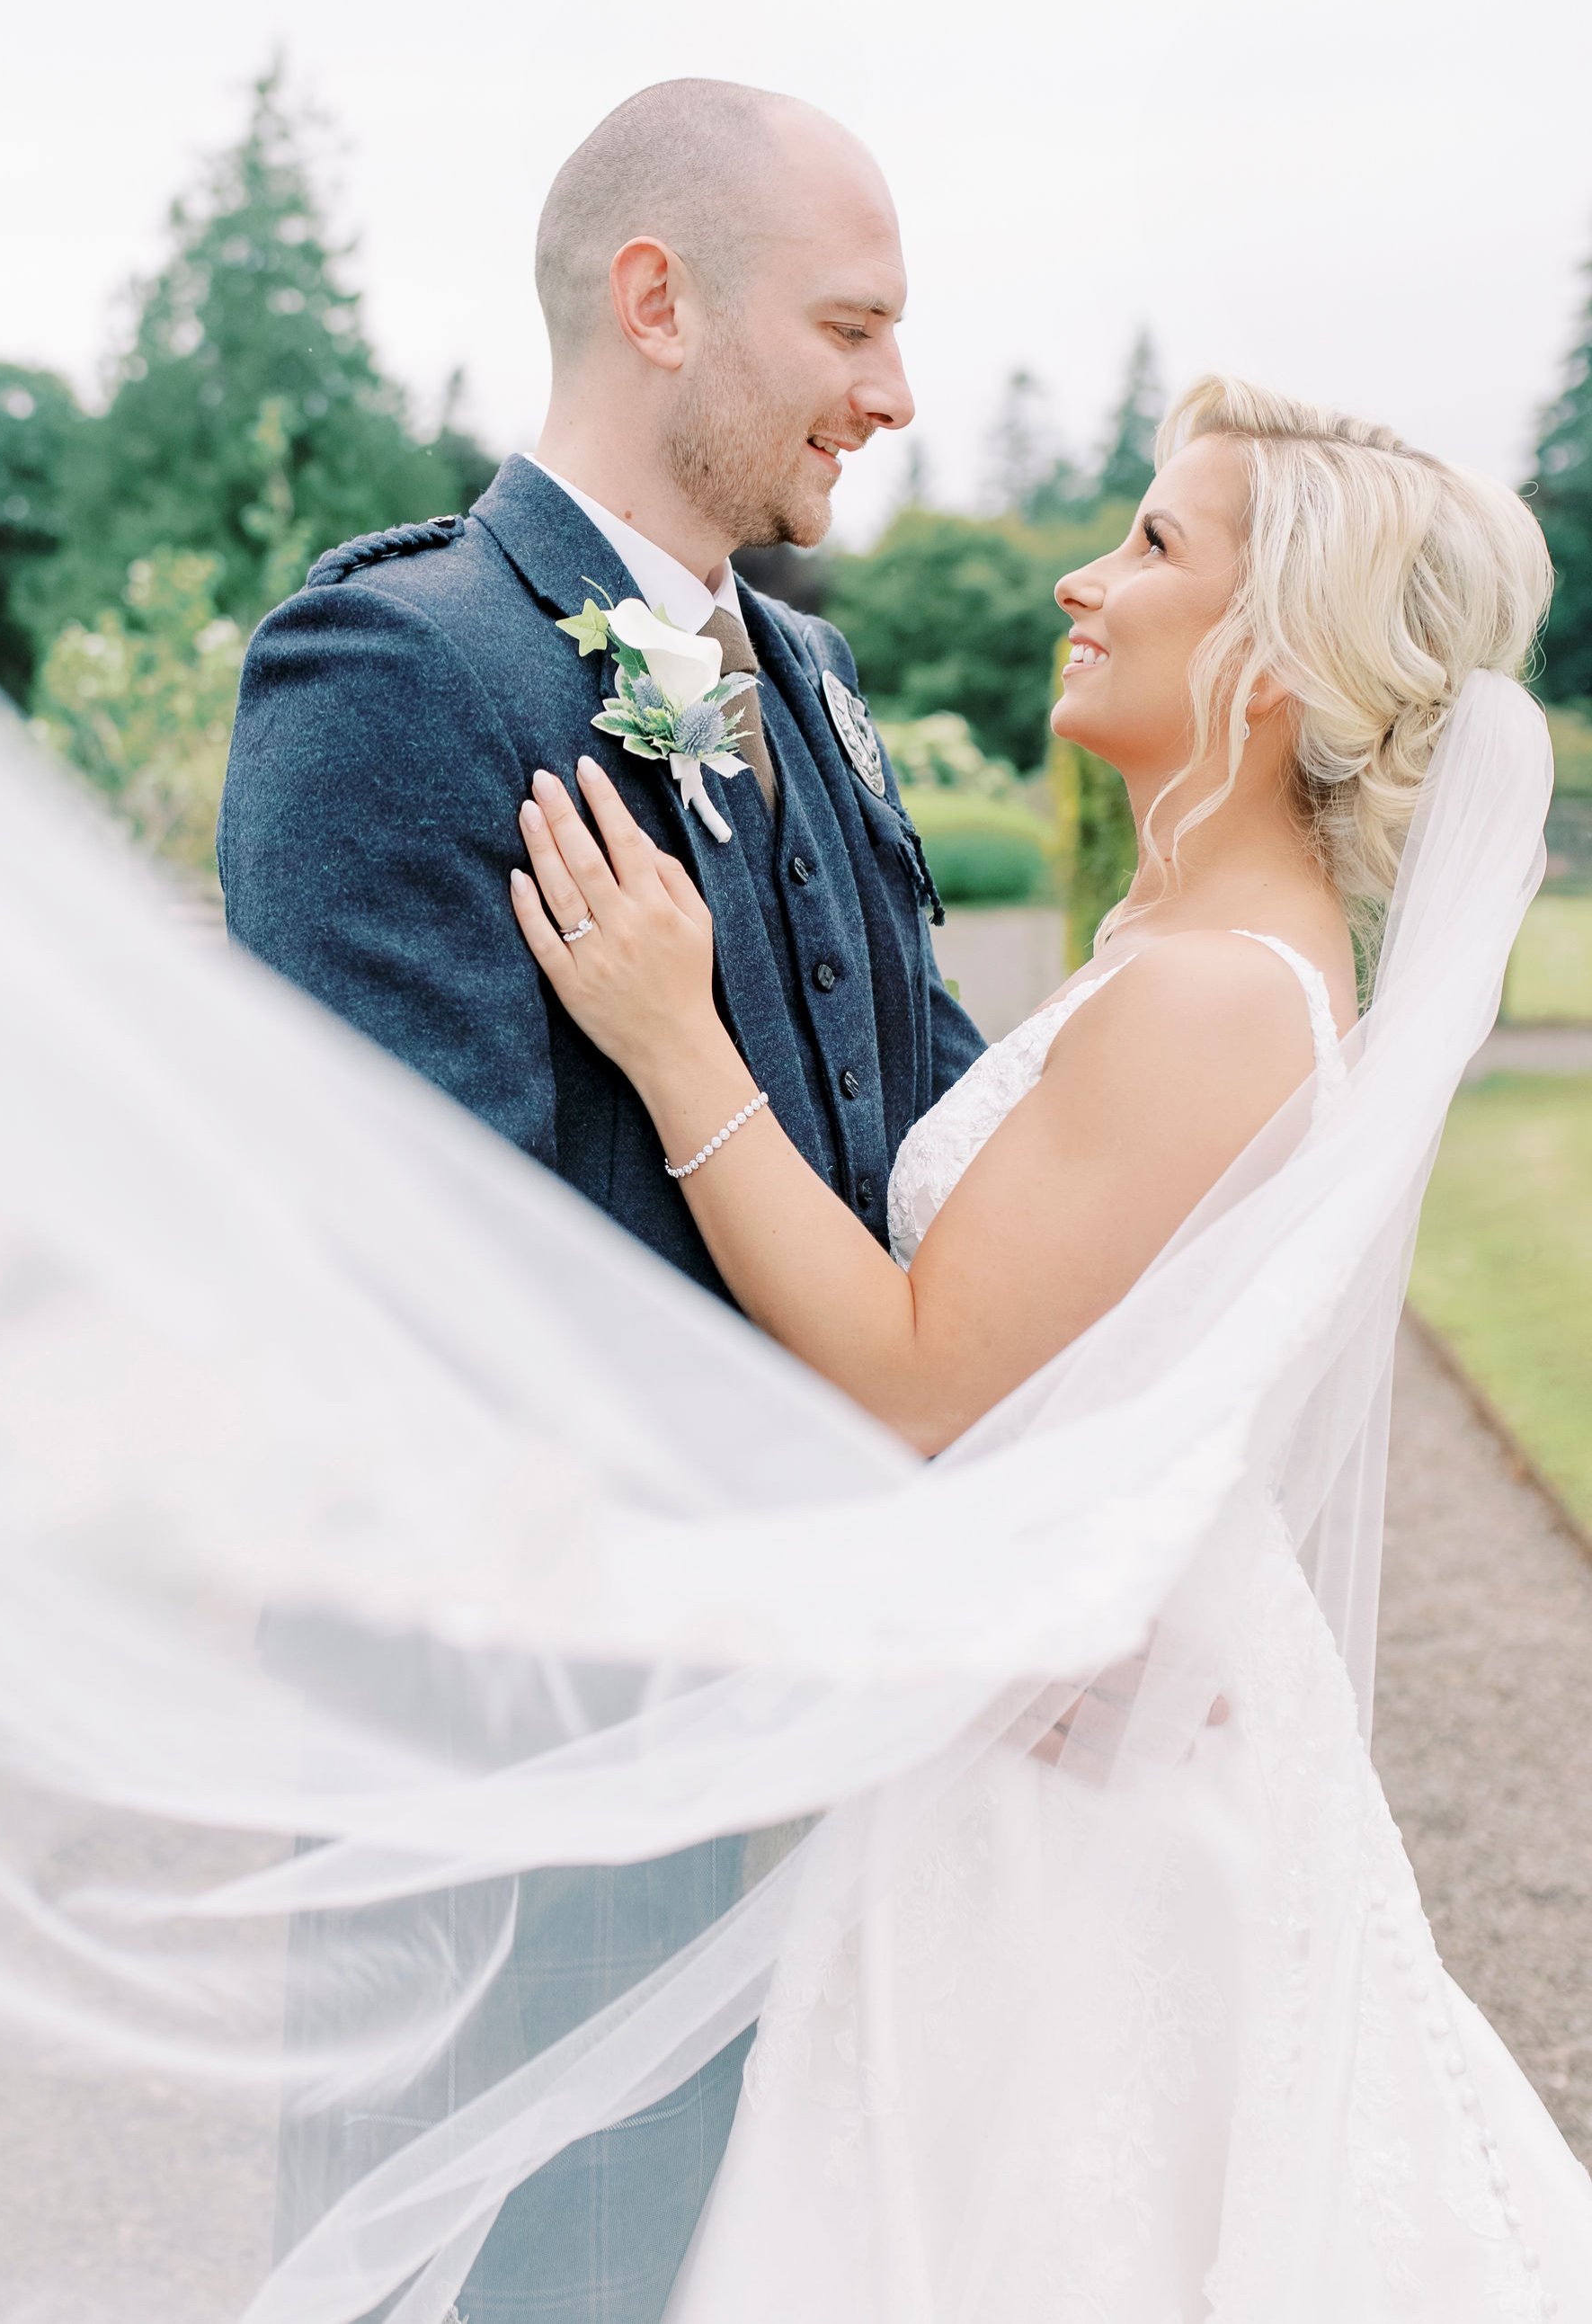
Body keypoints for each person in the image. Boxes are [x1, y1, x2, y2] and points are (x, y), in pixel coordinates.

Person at [509, 375, 1592, 2316]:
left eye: (1156, 543)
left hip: (1074, 1808)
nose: (1085, 580)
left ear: (1275, 658)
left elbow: (923, 1376)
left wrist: (675, 1041)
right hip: (1048, 1721)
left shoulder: (1204, 998)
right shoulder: (1180, 954)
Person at [216, 77, 982, 2321]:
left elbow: (921, 1152)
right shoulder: (397, 669)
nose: (896, 391)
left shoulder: (813, 683)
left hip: (831, 1755)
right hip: (535, 1782)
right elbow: (409, 1291)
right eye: (848, 324)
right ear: (660, 299)